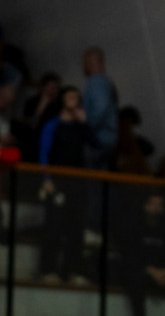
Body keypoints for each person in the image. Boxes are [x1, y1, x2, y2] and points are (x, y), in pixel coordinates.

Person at [38, 86, 97, 285]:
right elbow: (44, 152)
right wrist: (46, 179)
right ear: (63, 100)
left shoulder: (80, 125)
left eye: (78, 99)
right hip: (57, 181)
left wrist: (85, 123)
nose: (75, 101)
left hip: (77, 182)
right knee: (53, 225)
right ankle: (48, 269)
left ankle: (72, 270)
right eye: (71, 97)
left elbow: (95, 143)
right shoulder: (53, 124)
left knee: (76, 228)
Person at [82, 46, 119, 170]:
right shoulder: (106, 82)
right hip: (109, 138)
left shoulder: (96, 82)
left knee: (95, 181)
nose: (85, 66)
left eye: (87, 62)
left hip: (98, 139)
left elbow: (101, 108)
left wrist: (88, 124)